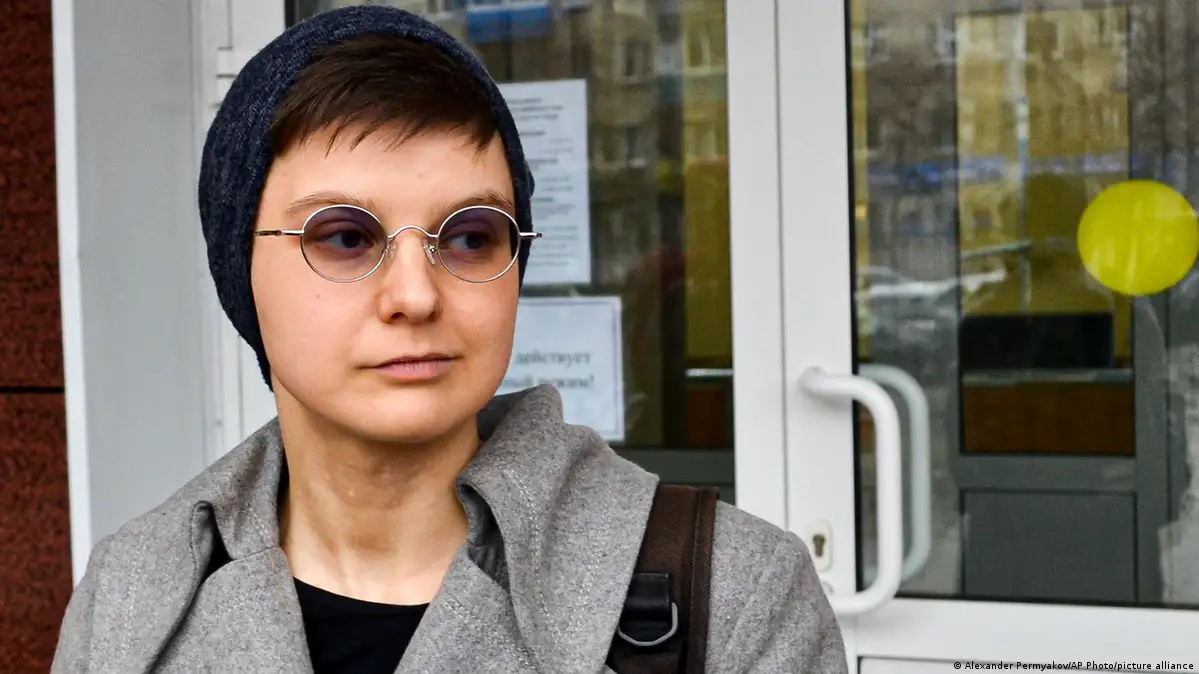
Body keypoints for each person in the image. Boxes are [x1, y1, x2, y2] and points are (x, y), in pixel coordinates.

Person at [51, 6, 846, 673]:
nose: (415, 295)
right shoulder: (134, 593)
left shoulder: (730, 593)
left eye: (469, 238)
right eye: (344, 237)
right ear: (238, 268)